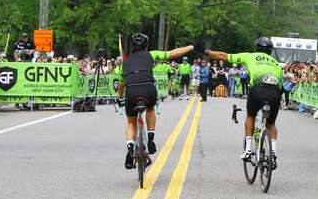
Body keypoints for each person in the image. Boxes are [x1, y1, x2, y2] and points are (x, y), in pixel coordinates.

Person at [197, 37, 283, 168]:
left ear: (256, 48)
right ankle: (274, 155)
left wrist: (206, 51)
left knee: (251, 116)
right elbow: (281, 85)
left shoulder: (250, 56)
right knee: (271, 123)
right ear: (270, 51)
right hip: (274, 91)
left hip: (258, 89)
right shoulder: (276, 63)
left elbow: (223, 56)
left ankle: (248, 150)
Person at [117, 33, 194, 170]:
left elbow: (121, 86)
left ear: (132, 46)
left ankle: (130, 149)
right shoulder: (151, 54)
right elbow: (173, 54)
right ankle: (151, 138)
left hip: (132, 91)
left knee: (131, 121)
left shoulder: (125, 62)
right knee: (150, 108)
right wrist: (191, 47)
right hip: (148, 88)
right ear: (146, 46)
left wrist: (120, 98)